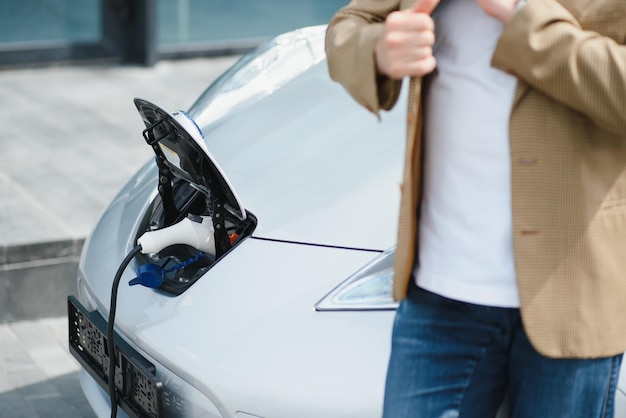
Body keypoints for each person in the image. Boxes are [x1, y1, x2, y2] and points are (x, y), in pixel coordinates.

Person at [325, 0, 626, 417]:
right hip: (439, 294)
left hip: (574, 293)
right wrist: (377, 49)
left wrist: (524, 18)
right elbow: (348, 27)